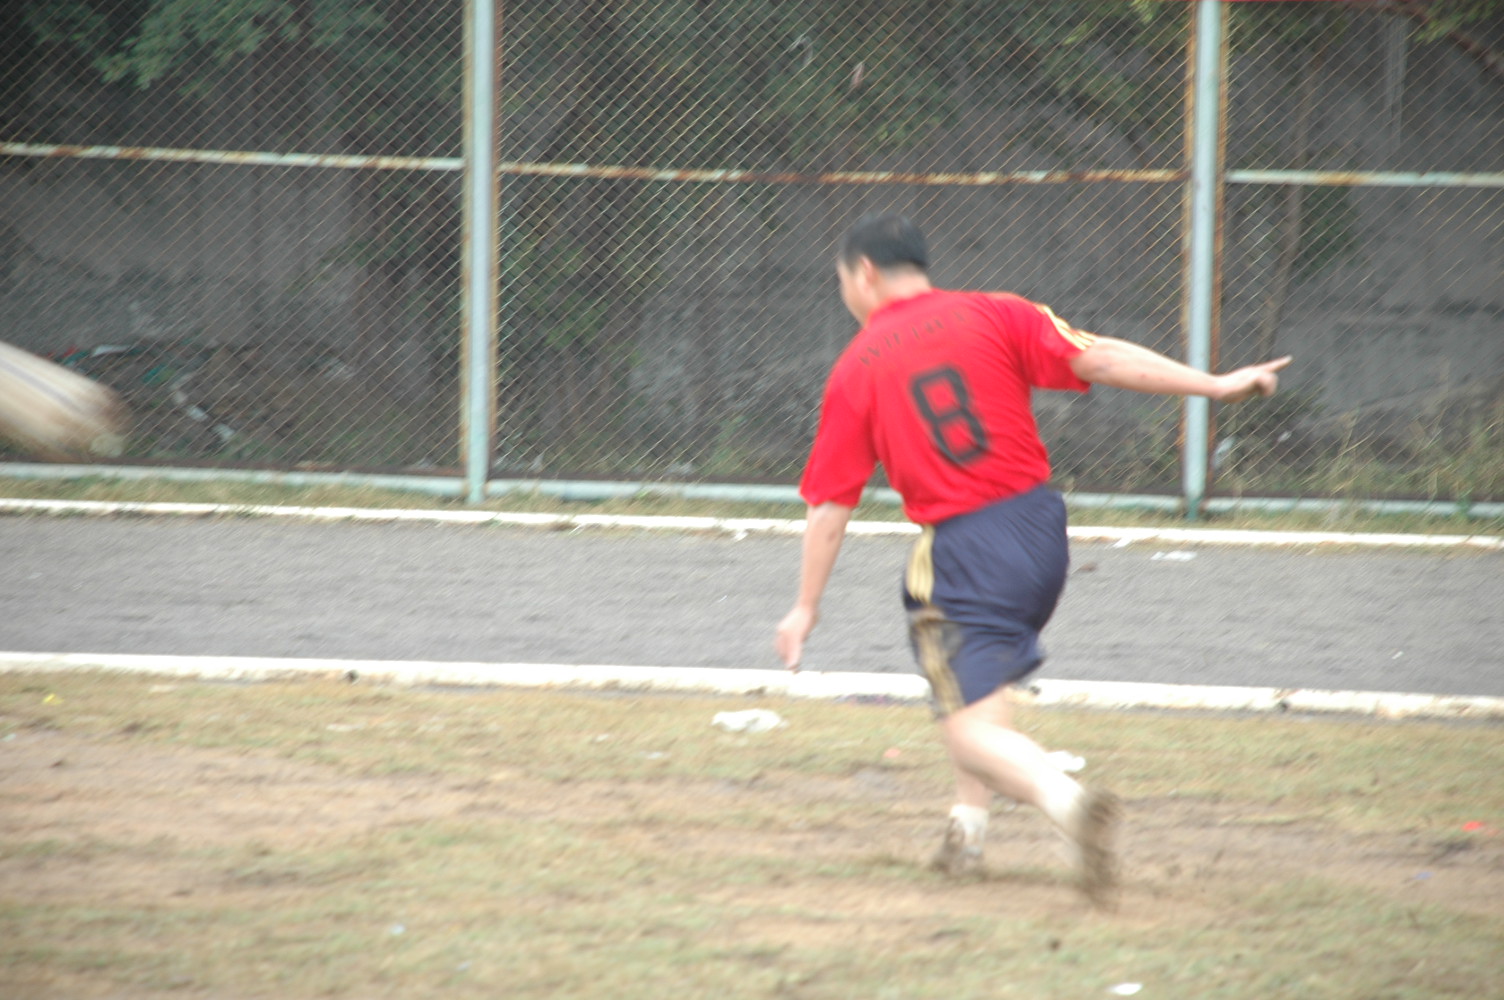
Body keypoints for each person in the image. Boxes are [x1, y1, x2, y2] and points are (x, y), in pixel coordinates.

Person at [774, 212, 1291, 907]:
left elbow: (830, 509)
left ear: (864, 273)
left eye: (842, 279)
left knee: (967, 726)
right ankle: (967, 832)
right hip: (1040, 533)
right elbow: (1100, 358)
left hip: (964, 549)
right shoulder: (998, 312)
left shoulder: (857, 366)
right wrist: (1216, 384)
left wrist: (805, 607)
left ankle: (1068, 803)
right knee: (975, 689)